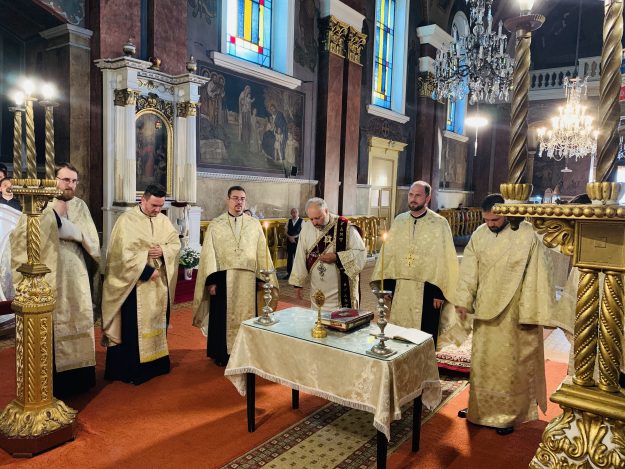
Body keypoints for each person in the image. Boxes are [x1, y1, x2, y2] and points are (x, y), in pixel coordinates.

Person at [455, 193, 555, 435]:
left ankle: (507, 415)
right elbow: (469, 269)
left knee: (510, 366)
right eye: (487, 220)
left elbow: (537, 275)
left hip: (514, 312)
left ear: (507, 214)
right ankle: (479, 409)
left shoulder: (527, 234)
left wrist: (530, 312)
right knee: (483, 364)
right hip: (485, 309)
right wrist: (464, 300)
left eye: (495, 220)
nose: (490, 224)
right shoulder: (479, 235)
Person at [11, 163, 100, 397]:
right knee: (52, 326)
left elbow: (92, 241)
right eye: (65, 180)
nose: (70, 185)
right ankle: (53, 383)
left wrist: (75, 233)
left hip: (76, 276)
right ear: (54, 179)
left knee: (78, 319)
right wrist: (61, 227)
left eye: (74, 181)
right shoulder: (39, 204)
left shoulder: (80, 206)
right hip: (50, 276)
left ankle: (79, 379)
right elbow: (21, 238)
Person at [102, 184, 180, 385]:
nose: (157, 210)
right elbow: (119, 255)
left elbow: (175, 244)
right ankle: (133, 371)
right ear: (142, 200)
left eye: (161, 206)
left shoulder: (163, 220)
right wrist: (145, 270)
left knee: (157, 323)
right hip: (133, 286)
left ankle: (156, 365)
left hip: (159, 286)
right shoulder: (126, 220)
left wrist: (163, 251)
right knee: (132, 329)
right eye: (154, 205)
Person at [192, 186, 277, 366]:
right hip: (222, 279)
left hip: (249, 279)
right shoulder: (216, 224)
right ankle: (222, 354)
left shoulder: (254, 224)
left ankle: (247, 353)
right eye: (235, 198)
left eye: (242, 199)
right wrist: (211, 282)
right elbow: (209, 255)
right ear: (228, 199)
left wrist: (262, 279)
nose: (239, 202)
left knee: (250, 316)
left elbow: (262, 253)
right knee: (221, 317)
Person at [370, 181, 459, 349]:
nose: (413, 199)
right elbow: (389, 255)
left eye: (418, 195)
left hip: (428, 289)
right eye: (411, 194)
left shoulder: (439, 223)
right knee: (398, 334)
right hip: (401, 288)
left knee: (425, 338)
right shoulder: (400, 221)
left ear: (428, 198)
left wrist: (439, 292)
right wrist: (387, 285)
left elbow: (444, 259)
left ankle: (425, 365)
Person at [289, 198, 366, 310]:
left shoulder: (345, 227)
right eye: (311, 219)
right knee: (318, 316)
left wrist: (337, 257)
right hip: (317, 289)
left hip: (340, 293)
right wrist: (298, 284)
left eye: (317, 218)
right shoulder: (306, 228)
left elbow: (360, 252)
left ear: (326, 211)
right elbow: (300, 255)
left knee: (342, 318)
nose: (314, 222)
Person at [285, 208, 302, 278]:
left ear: (298, 213)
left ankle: (297, 274)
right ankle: (289, 274)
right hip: (289, 241)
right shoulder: (289, 221)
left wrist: (294, 237)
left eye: (295, 212)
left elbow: (303, 232)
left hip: (297, 242)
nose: (294, 214)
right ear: (291, 214)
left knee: (297, 258)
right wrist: (289, 237)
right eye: (293, 212)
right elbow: (285, 231)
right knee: (289, 258)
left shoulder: (302, 221)